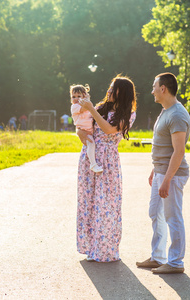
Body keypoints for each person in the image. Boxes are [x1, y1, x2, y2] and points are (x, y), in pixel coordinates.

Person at [76, 75, 137, 262]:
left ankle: (106, 250)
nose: (109, 91)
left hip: (108, 161)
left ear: (122, 93)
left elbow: (110, 130)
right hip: (90, 156)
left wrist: (92, 110)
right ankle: (90, 248)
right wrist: (81, 131)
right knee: (88, 202)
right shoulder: (102, 108)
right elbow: (84, 126)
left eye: (113, 88)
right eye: (109, 87)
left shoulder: (129, 114)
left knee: (106, 205)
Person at [136, 72, 190, 274]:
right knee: (155, 213)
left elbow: (179, 151)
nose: (152, 91)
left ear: (163, 89)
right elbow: (165, 147)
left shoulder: (177, 114)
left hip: (173, 174)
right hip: (161, 171)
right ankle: (158, 257)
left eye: (154, 87)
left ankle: (176, 262)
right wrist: (155, 169)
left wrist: (167, 179)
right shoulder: (166, 111)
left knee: (173, 217)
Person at [70, 84, 103, 173]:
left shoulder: (87, 107)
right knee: (91, 144)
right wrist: (87, 100)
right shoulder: (75, 107)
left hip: (90, 131)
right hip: (85, 131)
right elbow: (84, 108)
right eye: (73, 97)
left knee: (92, 145)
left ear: (83, 96)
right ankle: (93, 164)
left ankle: (93, 163)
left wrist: (86, 100)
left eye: (78, 96)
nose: (76, 99)